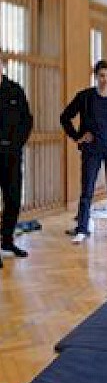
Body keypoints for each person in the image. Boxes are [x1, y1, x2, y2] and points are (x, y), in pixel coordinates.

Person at [60, 60, 107, 244]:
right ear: (96, 77)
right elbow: (65, 117)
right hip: (92, 150)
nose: (105, 79)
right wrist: (78, 137)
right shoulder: (85, 97)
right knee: (87, 191)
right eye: (101, 76)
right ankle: (82, 229)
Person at [0, 56, 33, 266]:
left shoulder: (15, 90)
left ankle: (7, 241)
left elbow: (27, 120)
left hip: (12, 154)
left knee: (13, 199)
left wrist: (17, 143)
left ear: (2, 65)